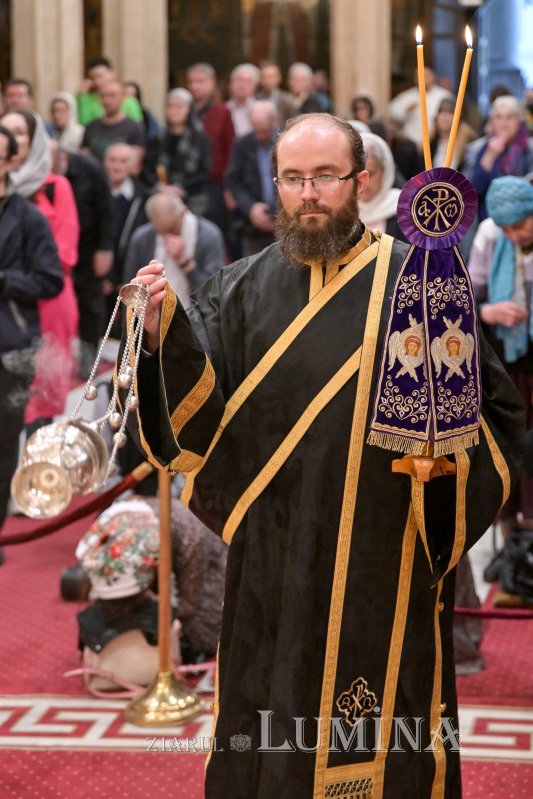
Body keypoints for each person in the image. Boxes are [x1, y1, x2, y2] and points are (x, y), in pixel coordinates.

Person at [122, 114, 523, 798]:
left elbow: (495, 419)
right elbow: (197, 419)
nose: (309, 195)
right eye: (293, 179)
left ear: (360, 180)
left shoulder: (420, 284)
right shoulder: (239, 288)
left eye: (326, 178)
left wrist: (442, 468)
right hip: (270, 560)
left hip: (381, 555)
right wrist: (160, 338)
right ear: (274, 183)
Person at [0, 124, 62, 534]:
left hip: (11, 345)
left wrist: (5, 280)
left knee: (3, 444)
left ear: (11, 161)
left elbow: (50, 279)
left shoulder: (28, 217)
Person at [1, 109, 79, 431]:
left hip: (45, 304)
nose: (13, 140)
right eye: (7, 131)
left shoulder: (52, 187)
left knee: (39, 397)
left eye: (20, 133)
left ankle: (37, 476)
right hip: (10, 307)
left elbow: (63, 255)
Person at [468, 176, 533, 536]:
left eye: (521, 226)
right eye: (506, 228)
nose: (514, 236)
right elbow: (465, 299)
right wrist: (489, 311)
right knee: (510, 444)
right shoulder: (490, 235)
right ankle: (511, 537)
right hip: (506, 362)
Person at [53, 146, 115, 379]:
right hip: (55, 249)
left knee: (90, 305)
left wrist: (105, 249)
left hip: (88, 246)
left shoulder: (89, 168)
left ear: (63, 157)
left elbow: (106, 210)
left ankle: (89, 359)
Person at [123, 192, 225, 309]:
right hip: (154, 319)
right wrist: (128, 325)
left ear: (183, 213)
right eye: (162, 232)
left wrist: (186, 263)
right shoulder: (142, 238)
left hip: (195, 319)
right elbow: (130, 288)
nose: (168, 236)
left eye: (172, 229)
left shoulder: (209, 235)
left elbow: (214, 293)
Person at [463, 95, 533, 222]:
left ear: (519, 120)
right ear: (492, 121)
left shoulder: (529, 149)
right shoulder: (480, 148)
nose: (503, 123)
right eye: (499, 118)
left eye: (509, 117)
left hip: (523, 218)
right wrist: (490, 155)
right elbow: (472, 192)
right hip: (489, 220)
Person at [224, 100, 278, 256]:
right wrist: (250, 207)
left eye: (264, 131)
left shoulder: (287, 141)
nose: (260, 136)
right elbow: (233, 181)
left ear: (274, 121)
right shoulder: (242, 144)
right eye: (256, 131)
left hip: (285, 222)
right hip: (252, 225)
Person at [187, 62, 235, 234]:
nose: (195, 86)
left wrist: (229, 186)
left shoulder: (222, 111)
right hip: (190, 182)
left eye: (200, 81)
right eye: (191, 82)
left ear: (212, 83)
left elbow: (231, 148)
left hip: (215, 183)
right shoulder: (186, 110)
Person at [155, 88, 211, 216]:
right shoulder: (158, 137)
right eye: (170, 106)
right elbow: (148, 167)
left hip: (193, 198)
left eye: (179, 107)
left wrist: (181, 188)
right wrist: (161, 186)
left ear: (189, 110)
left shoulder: (200, 139)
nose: (174, 111)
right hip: (161, 194)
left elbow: (205, 171)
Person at [81, 79, 145, 167]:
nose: (107, 100)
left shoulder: (134, 128)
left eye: (112, 96)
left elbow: (135, 166)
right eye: (103, 96)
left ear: (122, 97)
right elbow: (84, 159)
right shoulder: (91, 127)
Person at [388, 66, 453, 150]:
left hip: (435, 144)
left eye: (426, 75)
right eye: (420, 75)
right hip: (409, 144)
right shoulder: (407, 96)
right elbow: (391, 112)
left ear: (433, 76)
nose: (424, 78)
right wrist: (406, 110)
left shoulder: (444, 96)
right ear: (415, 79)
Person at [358, 131, 404, 240]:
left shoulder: (404, 209)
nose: (364, 182)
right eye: (358, 175)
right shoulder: (344, 210)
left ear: (385, 172)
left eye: (371, 173)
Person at [76, 56, 143, 126]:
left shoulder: (129, 101)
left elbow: (137, 128)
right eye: (93, 78)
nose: (97, 81)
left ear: (112, 73)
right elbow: (84, 126)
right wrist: (82, 98)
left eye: (100, 76)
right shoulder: (87, 100)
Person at [429, 97, 476, 171]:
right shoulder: (430, 143)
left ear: (458, 118)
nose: (445, 116)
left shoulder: (468, 144)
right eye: (442, 112)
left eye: (450, 113)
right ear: (436, 118)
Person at [226, 63, 261, 138]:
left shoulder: (261, 111)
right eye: (239, 80)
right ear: (231, 83)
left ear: (255, 86)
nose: (242, 85)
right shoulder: (224, 109)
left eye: (248, 81)